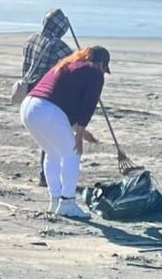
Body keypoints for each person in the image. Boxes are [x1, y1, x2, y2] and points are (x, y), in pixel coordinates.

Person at [19, 46, 110, 220]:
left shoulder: (70, 63)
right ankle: (67, 203)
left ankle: (55, 200)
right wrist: (79, 133)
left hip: (29, 107)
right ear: (102, 64)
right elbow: (87, 105)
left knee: (52, 153)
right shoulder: (94, 71)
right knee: (72, 155)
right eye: (105, 70)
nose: (104, 74)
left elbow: (62, 102)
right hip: (46, 110)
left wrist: (81, 132)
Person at [20, 9, 73, 186]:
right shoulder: (58, 46)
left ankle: (45, 173)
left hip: (29, 91)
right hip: (48, 93)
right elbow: (75, 63)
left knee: (43, 136)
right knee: (51, 136)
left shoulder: (31, 39)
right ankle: (47, 176)